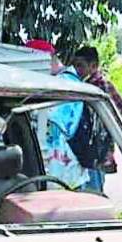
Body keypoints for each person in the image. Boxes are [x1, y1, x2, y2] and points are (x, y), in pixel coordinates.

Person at [25, 39, 89, 189]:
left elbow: (53, 123)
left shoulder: (62, 85)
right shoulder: (62, 81)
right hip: (65, 173)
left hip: (64, 173)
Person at [72, 45, 122, 192]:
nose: (77, 70)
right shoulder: (82, 85)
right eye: (75, 66)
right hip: (88, 147)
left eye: (81, 66)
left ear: (93, 66)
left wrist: (108, 131)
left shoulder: (100, 86)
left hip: (98, 148)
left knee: (93, 190)